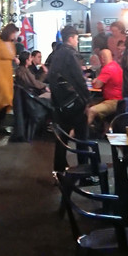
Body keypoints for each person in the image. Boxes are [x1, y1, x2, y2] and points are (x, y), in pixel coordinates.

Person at [47, 24, 90, 171]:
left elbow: (51, 77)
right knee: (82, 138)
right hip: (74, 103)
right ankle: (84, 170)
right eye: (76, 38)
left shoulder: (57, 54)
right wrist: (87, 100)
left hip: (61, 104)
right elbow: (79, 79)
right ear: (71, 38)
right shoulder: (71, 54)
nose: (77, 41)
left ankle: (59, 169)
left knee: (62, 137)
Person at [86, 48, 123, 128]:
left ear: (102, 58)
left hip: (113, 101)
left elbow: (97, 85)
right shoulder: (116, 65)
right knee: (90, 104)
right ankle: (101, 128)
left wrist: (95, 81)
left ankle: (81, 132)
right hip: (120, 100)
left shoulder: (107, 69)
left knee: (91, 110)